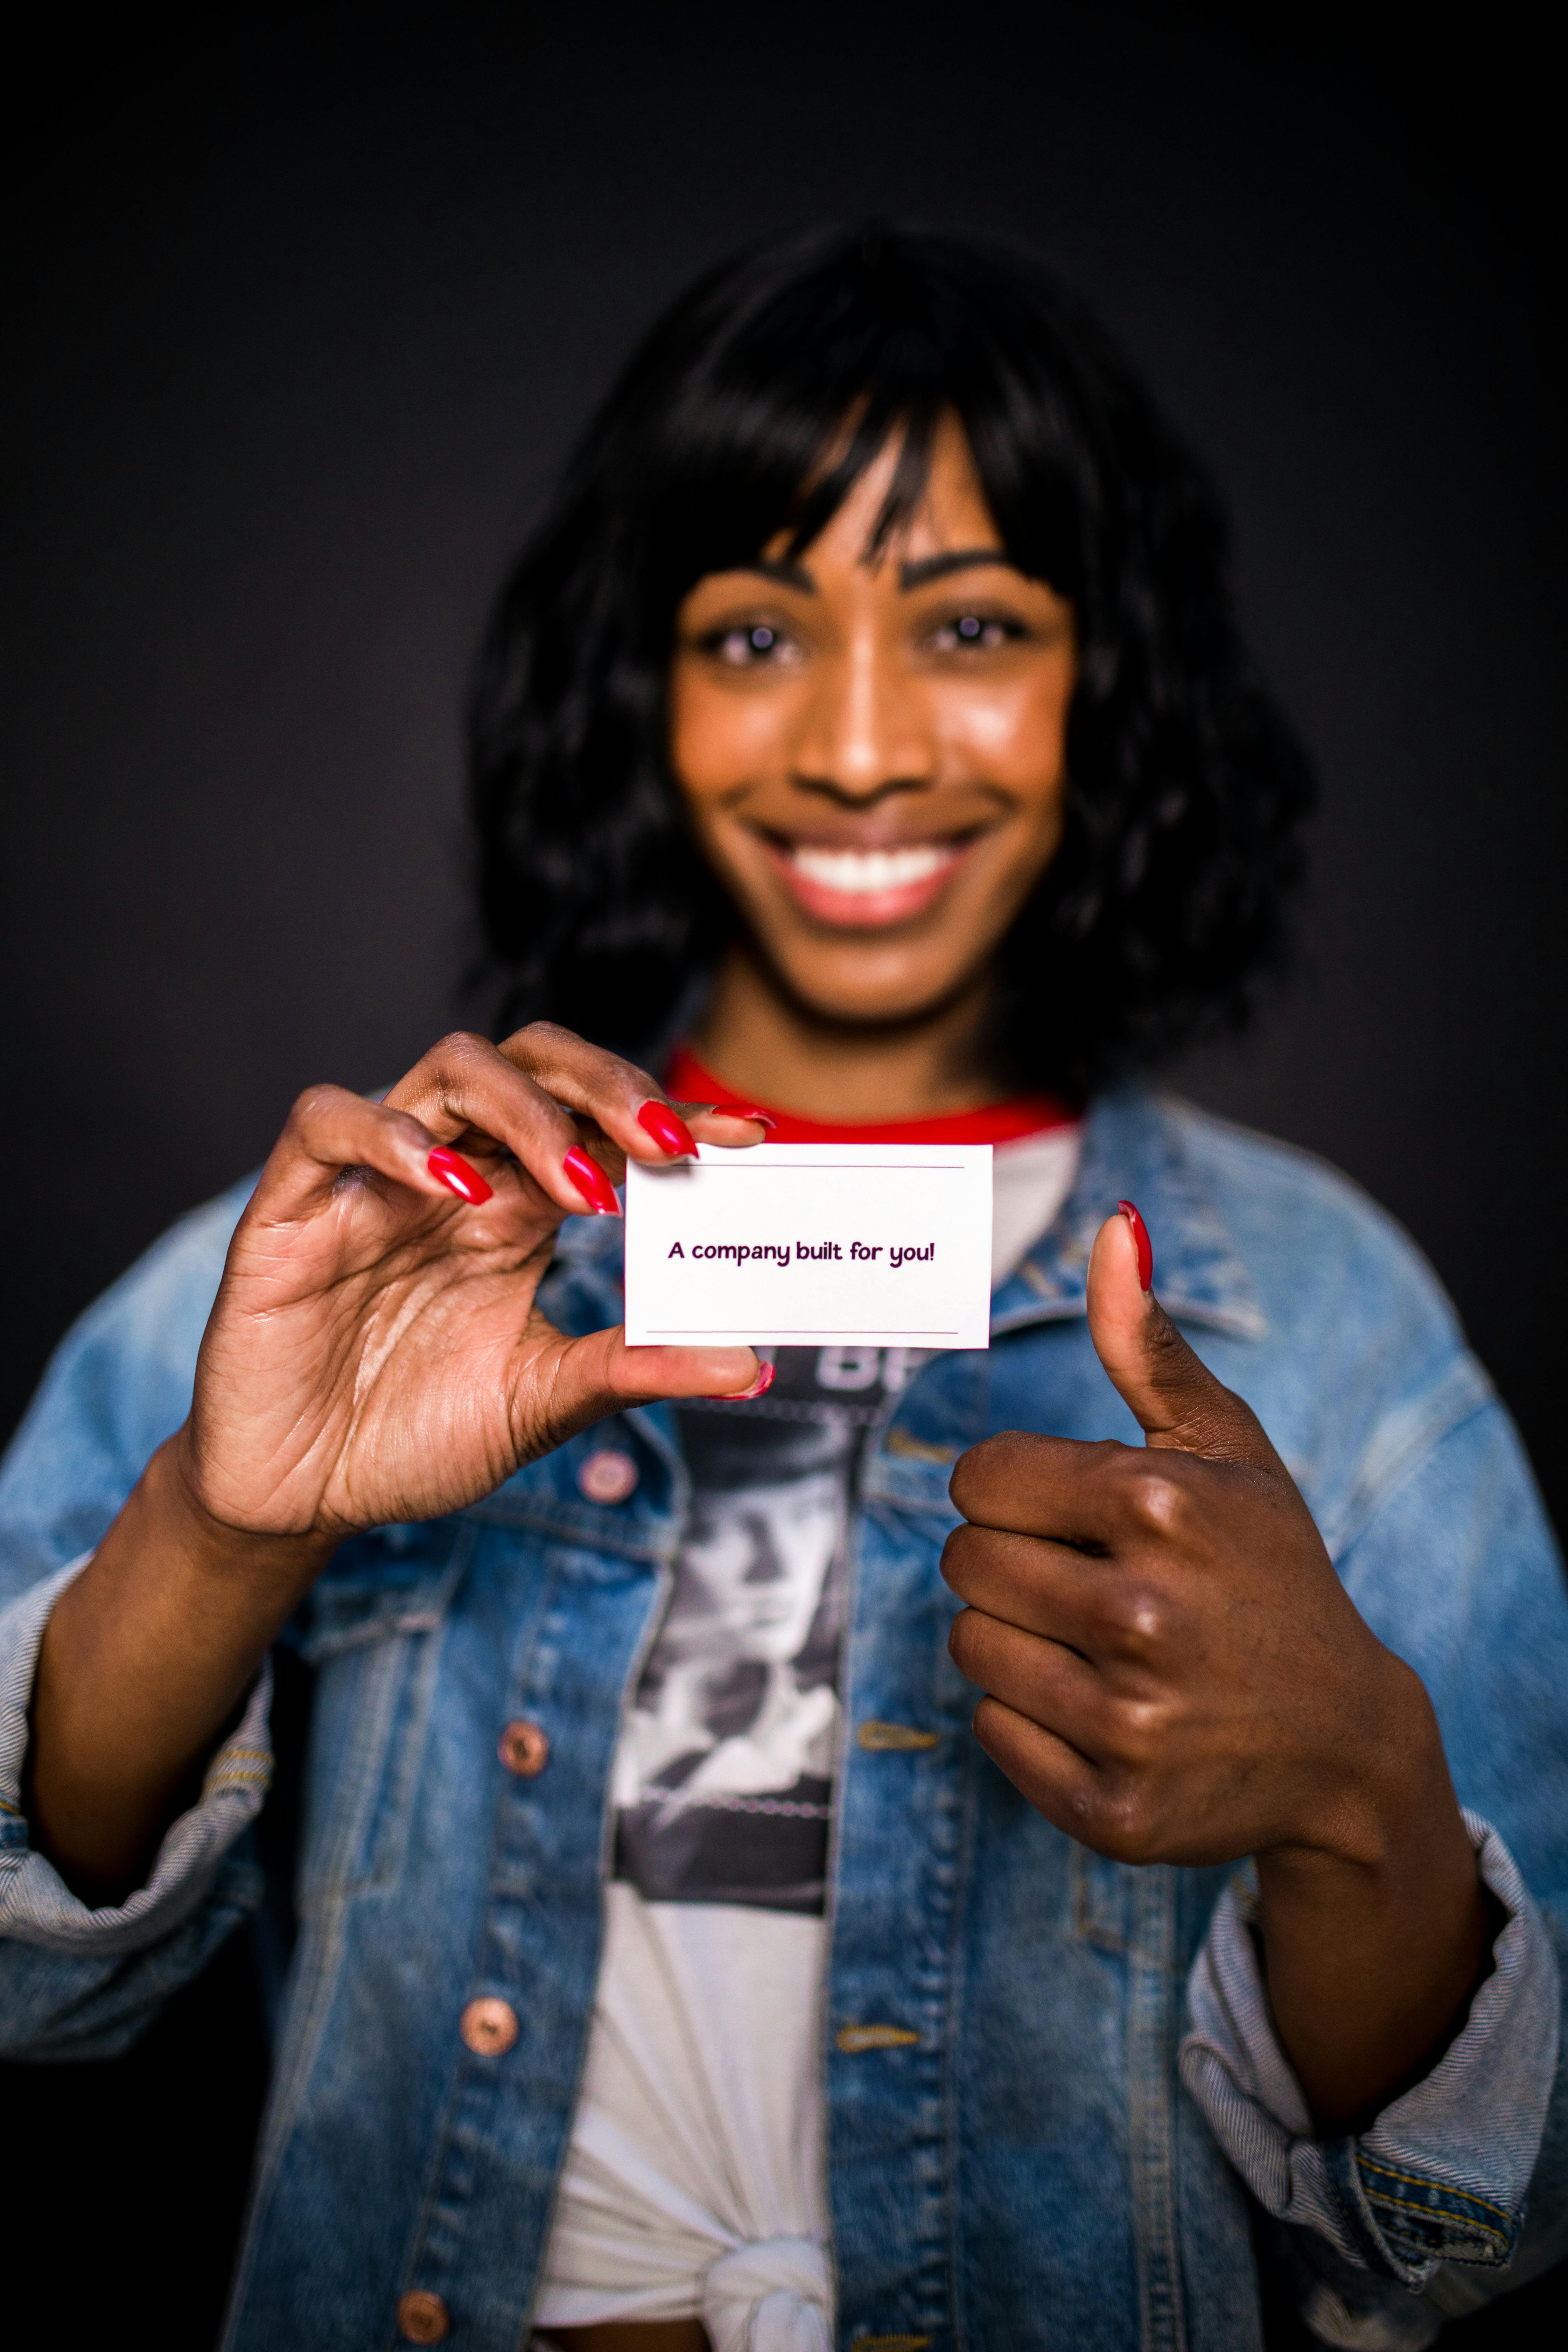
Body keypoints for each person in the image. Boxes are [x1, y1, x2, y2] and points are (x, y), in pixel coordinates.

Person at [1, 225, 1564, 2352]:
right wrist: (216, 1529)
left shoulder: (1328, 1325)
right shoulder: (330, 1273)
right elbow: (24, 1987)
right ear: (638, 684)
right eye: (754, 634)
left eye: (973, 626)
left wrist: (1367, 1798)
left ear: (1117, 676)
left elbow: (1480, 2233)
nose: (854, 745)